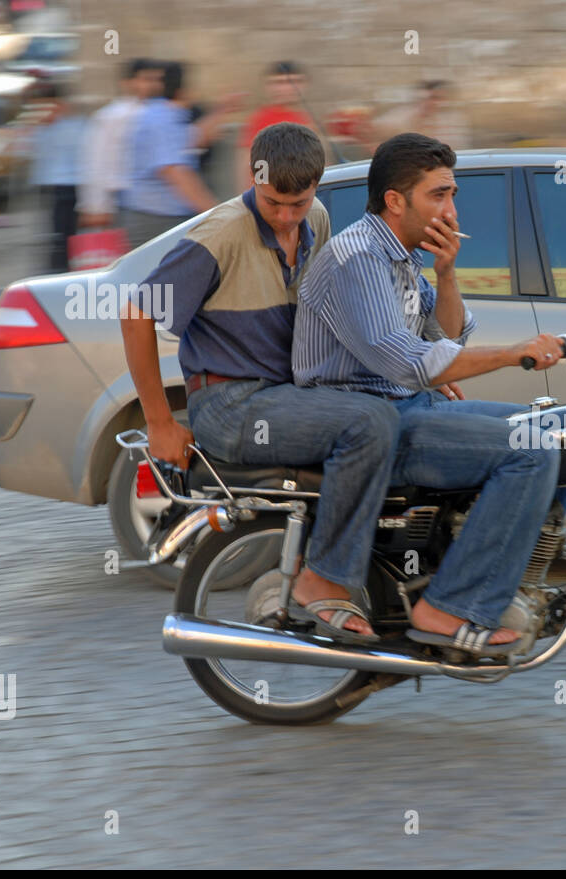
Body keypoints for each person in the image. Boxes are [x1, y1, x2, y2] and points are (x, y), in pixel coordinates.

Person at [120, 122, 398, 638]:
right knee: (370, 424)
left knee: (398, 413)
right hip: (232, 405)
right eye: (274, 204)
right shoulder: (220, 235)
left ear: (315, 187)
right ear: (253, 179)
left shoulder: (316, 217)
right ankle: (327, 581)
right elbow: (136, 312)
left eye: (299, 203)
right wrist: (160, 422)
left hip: (289, 395)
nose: (288, 218)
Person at [293, 133, 564, 655]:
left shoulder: (399, 256)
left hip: (409, 405)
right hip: (373, 422)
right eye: (438, 195)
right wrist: (514, 353)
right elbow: (409, 361)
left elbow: (445, 341)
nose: (451, 208)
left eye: (452, 194)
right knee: (531, 451)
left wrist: (446, 272)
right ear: (396, 201)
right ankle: (450, 607)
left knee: (561, 430)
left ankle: (511, 580)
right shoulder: (358, 257)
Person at [122, 61, 237, 248]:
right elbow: (177, 173)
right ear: (183, 90)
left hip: (164, 218)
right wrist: (220, 216)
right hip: (157, 221)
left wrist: (222, 110)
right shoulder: (161, 120)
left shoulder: (168, 116)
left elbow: (194, 138)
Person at [78, 58, 163, 230]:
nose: (154, 85)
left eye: (158, 80)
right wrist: (96, 206)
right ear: (127, 83)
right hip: (120, 202)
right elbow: (95, 162)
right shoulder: (111, 116)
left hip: (156, 201)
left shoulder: (164, 113)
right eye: (146, 79)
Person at [29, 82, 87, 273]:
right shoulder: (40, 129)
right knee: (56, 235)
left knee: (67, 235)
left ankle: (64, 269)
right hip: (51, 188)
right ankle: (59, 268)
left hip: (71, 186)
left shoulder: (76, 127)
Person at [236, 61, 321, 189]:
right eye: (279, 82)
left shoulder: (306, 118)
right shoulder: (263, 120)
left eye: (293, 81)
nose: (286, 88)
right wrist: (260, 194)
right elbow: (253, 164)